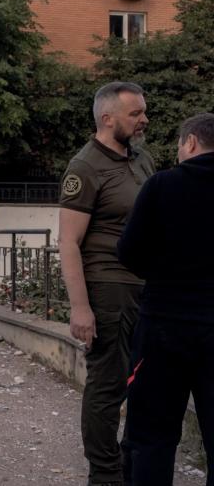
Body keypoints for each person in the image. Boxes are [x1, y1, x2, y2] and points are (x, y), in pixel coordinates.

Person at [58, 81, 153, 486]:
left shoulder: (142, 158)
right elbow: (68, 242)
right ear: (107, 118)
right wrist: (81, 308)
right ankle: (105, 475)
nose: (144, 119)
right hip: (108, 289)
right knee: (108, 387)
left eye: (144, 112)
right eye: (136, 114)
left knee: (145, 385)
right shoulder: (85, 167)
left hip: (146, 289)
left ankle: (132, 464)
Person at [116, 112, 214, 484]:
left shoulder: (162, 186)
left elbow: (129, 251)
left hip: (164, 326)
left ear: (190, 143)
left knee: (151, 436)